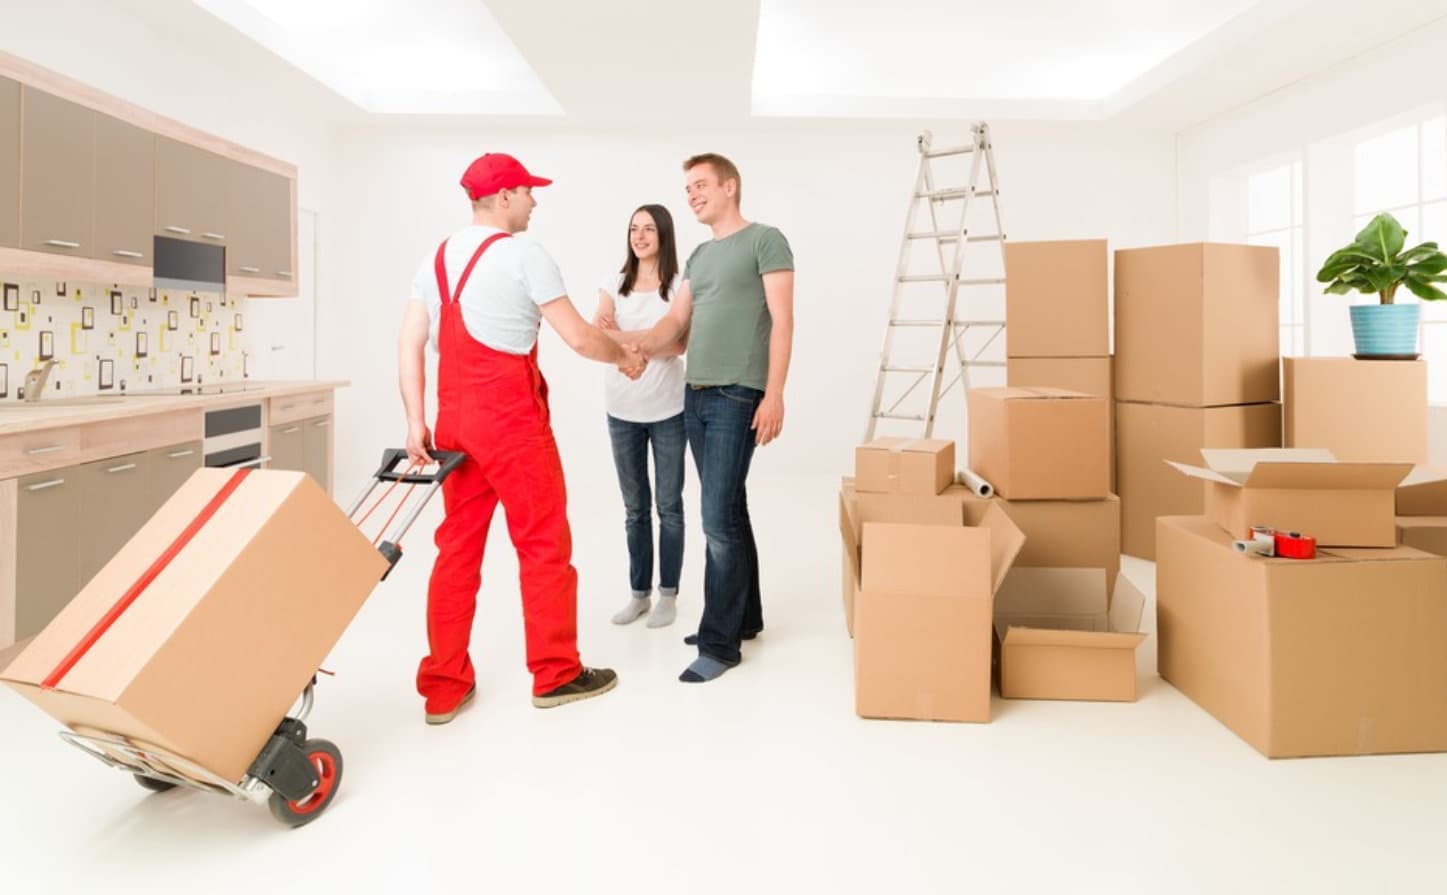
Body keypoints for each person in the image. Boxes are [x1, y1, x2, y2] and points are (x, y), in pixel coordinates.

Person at [397, 152, 643, 723]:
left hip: (453, 421)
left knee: (457, 550)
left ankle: (444, 686)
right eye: (528, 191)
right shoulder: (525, 253)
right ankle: (556, 674)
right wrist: (625, 358)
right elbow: (580, 338)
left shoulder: (435, 258)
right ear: (504, 197)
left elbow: (410, 342)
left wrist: (416, 421)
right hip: (510, 423)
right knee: (542, 542)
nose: (535, 200)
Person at [634, 153, 795, 683]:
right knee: (731, 510)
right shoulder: (700, 256)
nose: (693, 194)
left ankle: (719, 643)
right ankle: (745, 617)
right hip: (696, 396)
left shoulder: (765, 240)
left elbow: (783, 320)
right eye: (687, 188)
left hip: (737, 395)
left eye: (701, 184)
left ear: (730, 187)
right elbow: (673, 325)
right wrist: (621, 344)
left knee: (716, 520)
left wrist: (775, 393)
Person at [594, 205, 689, 630]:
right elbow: (597, 337)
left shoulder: (679, 285)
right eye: (634, 228)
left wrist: (622, 339)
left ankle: (668, 594)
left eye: (649, 228)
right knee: (635, 510)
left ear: (663, 235)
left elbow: (681, 344)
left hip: (669, 410)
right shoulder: (614, 285)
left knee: (669, 507)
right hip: (622, 412)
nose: (640, 235)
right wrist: (650, 340)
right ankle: (639, 594)